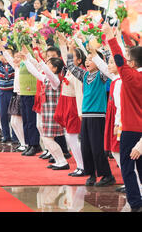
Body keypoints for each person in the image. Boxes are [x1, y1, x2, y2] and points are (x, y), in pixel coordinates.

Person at [65, 39, 115, 187]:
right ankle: (91, 174)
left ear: (98, 62)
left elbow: (104, 66)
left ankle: (107, 175)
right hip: (86, 115)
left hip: (98, 115)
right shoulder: (85, 75)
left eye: (91, 59)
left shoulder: (102, 75)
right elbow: (70, 66)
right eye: (86, 59)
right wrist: (69, 48)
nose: (87, 62)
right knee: (85, 147)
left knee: (97, 147)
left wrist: (96, 53)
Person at [104, 24, 142, 212]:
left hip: (130, 130)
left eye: (129, 60)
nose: (126, 62)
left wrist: (111, 37)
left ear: (133, 64)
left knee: (127, 169)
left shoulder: (129, 77)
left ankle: (135, 202)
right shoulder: (131, 75)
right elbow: (120, 58)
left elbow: (118, 57)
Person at [22, 47, 70, 170]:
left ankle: (62, 161)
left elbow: (46, 72)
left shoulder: (56, 80)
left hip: (53, 113)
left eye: (49, 64)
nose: (46, 66)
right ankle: (59, 160)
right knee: (47, 138)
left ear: (54, 68)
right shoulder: (47, 79)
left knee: (47, 139)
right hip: (47, 113)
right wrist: (26, 60)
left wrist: (39, 59)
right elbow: (36, 72)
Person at [56, 33, 86, 176]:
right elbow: (65, 58)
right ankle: (80, 165)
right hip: (66, 103)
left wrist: (80, 112)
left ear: (79, 60)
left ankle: (82, 165)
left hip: (74, 106)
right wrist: (63, 44)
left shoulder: (78, 74)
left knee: (72, 137)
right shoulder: (70, 71)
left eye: (72, 56)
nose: (68, 58)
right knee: (69, 137)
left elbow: (80, 94)